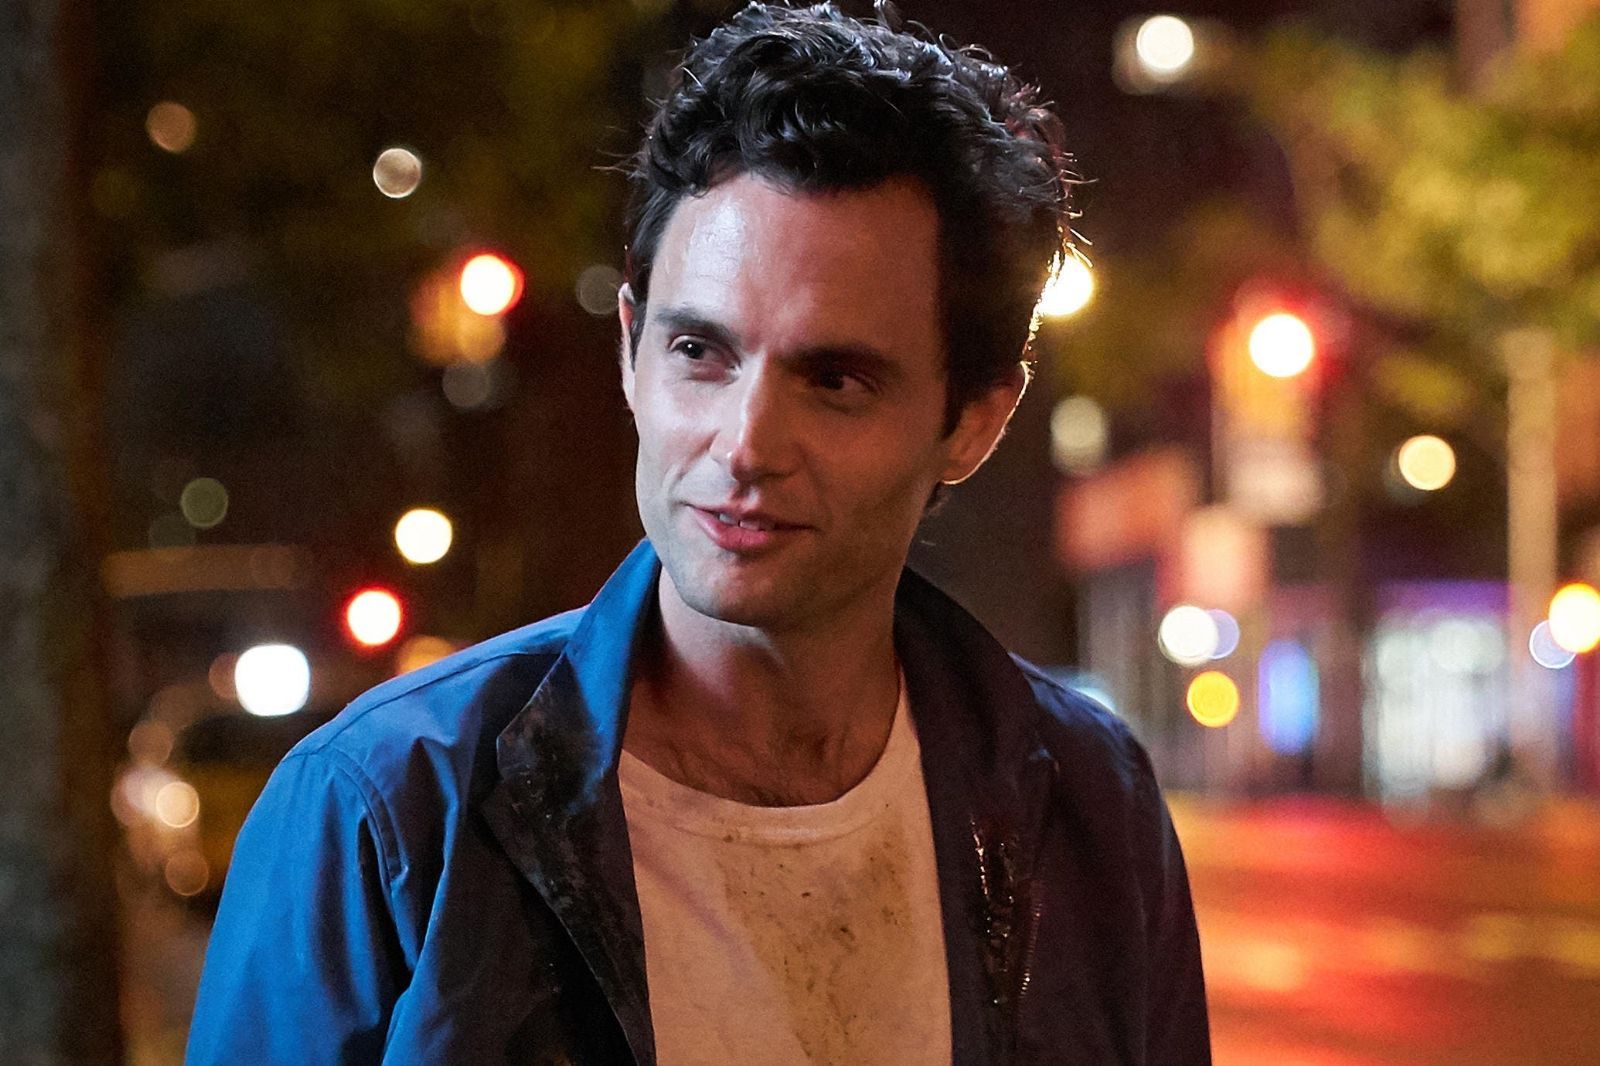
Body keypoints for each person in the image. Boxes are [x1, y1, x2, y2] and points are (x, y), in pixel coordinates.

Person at [187, 3, 1210, 1063]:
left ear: (975, 422)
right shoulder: (390, 809)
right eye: (700, 352)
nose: (746, 443)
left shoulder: (1089, 807)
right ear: (631, 349)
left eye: (836, 380)